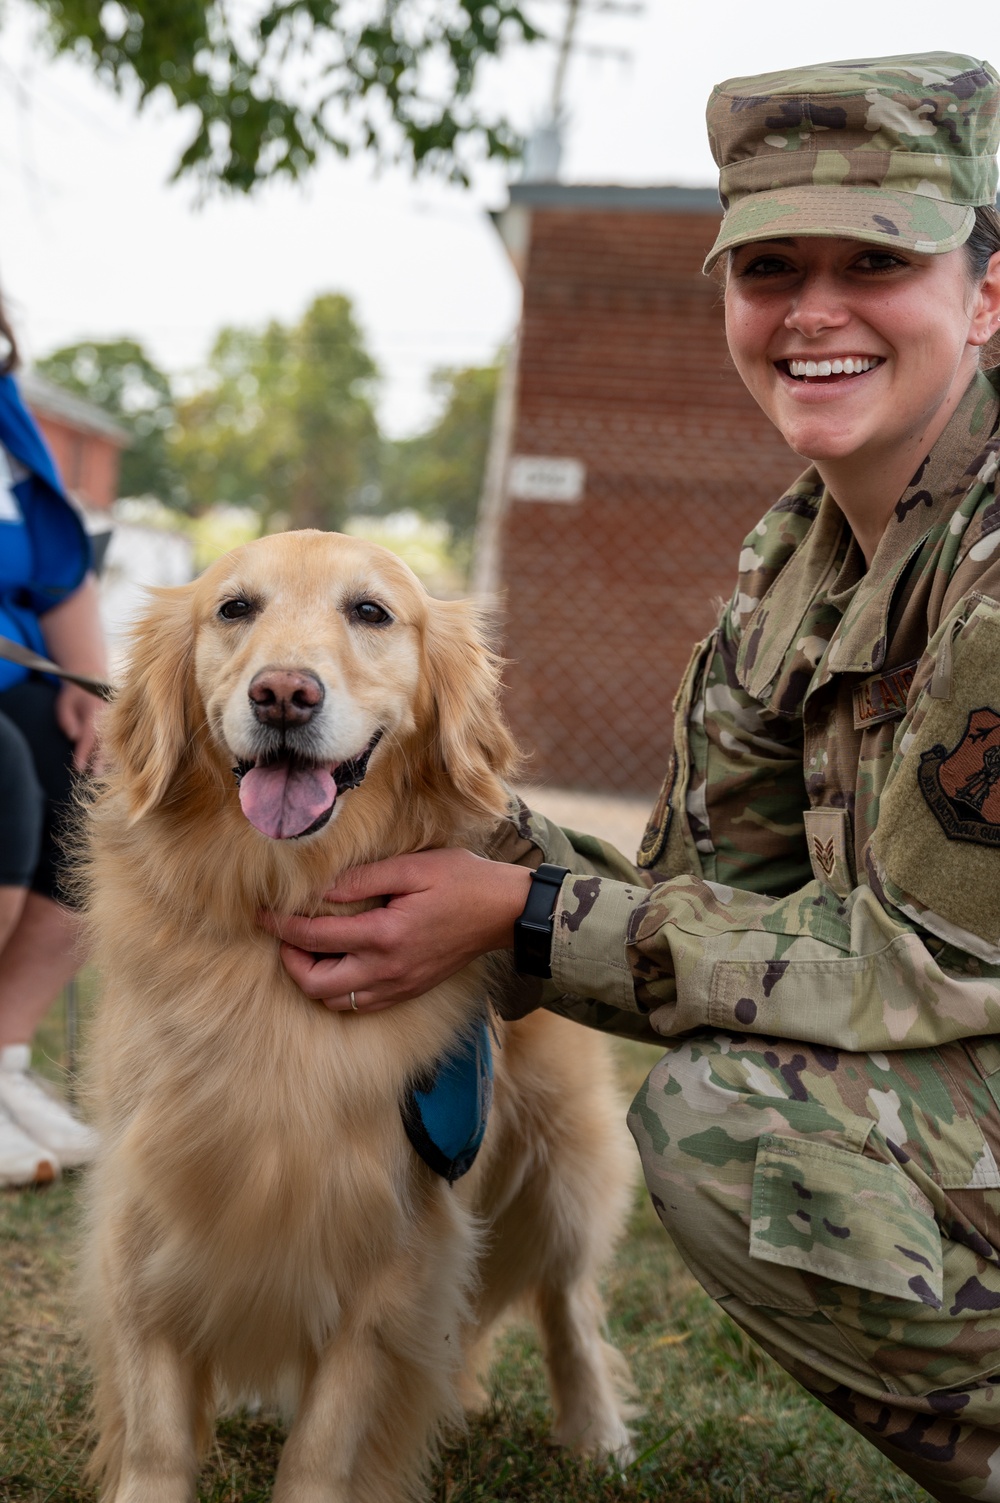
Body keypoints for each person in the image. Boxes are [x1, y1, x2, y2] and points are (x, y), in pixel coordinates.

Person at [263, 53, 1000, 1503]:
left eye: (880, 261)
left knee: (735, 1116)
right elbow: (704, 911)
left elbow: (923, 961)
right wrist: (453, 811)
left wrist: (517, 913)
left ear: (985, 292)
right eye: (771, 265)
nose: (814, 311)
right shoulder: (790, 566)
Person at [0, 294, 106, 1186]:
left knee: (93, 772)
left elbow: (62, 575)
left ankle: (5, 1059)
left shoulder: (10, 428)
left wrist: (88, 688)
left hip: (15, 673)